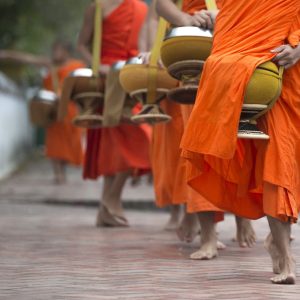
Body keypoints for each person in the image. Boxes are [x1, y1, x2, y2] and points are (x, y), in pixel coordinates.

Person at [180, 0, 300, 284]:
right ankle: (280, 255)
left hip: (282, 73)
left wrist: (298, 51)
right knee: (260, 159)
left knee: (281, 159)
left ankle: (281, 250)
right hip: (234, 65)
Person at [153, 0, 255, 258]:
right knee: (198, 147)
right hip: (193, 54)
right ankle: (208, 238)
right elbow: (161, 5)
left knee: (237, 143)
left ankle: (243, 215)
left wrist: (224, 15)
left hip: (236, 49)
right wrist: (186, 19)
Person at [78, 0, 151, 227]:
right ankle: (109, 204)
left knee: (140, 137)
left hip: (132, 76)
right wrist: (96, 65)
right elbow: (81, 44)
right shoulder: (97, 7)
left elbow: (145, 45)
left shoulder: (142, 8)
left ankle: (109, 202)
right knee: (115, 144)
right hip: (107, 78)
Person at [0, 41, 85, 184]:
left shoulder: (76, 66)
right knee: (54, 142)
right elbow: (27, 58)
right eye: (54, 50)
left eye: (59, 50)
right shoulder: (49, 64)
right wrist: (6, 54)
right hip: (50, 109)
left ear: (66, 52)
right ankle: (58, 174)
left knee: (70, 142)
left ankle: (62, 169)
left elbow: (82, 86)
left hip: (69, 110)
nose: (56, 53)